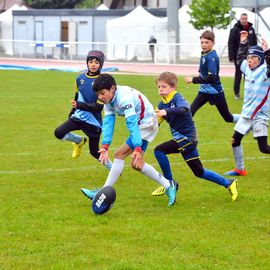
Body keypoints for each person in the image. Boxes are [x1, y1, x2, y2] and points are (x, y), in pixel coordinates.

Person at [80, 74, 178, 206]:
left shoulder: (123, 98)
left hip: (147, 123)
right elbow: (108, 122)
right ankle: (168, 185)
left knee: (119, 155)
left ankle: (101, 192)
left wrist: (137, 147)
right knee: (137, 165)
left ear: (113, 88)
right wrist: (105, 146)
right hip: (140, 124)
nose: (100, 97)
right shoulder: (108, 101)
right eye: (98, 94)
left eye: (102, 93)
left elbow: (131, 122)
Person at [151, 72, 238, 201]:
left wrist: (166, 111)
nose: (160, 89)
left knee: (159, 150)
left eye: (163, 87)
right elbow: (156, 123)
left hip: (187, 138)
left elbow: (185, 109)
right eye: (159, 87)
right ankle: (229, 183)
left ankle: (169, 183)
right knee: (199, 171)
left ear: (173, 87)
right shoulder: (161, 104)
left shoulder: (177, 98)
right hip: (183, 140)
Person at [54, 50, 112, 170]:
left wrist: (79, 105)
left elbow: (98, 107)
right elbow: (77, 97)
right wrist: (72, 113)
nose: (93, 64)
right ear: (87, 63)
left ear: (101, 64)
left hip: (93, 122)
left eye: (96, 62)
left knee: (94, 152)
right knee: (59, 132)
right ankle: (79, 141)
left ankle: (112, 169)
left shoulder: (103, 81)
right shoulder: (79, 78)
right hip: (78, 116)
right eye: (90, 61)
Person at [224, 31, 270, 176]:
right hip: (246, 115)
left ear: (260, 59)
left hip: (260, 116)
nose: (249, 60)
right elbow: (239, 59)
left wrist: (267, 50)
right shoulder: (247, 70)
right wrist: (243, 42)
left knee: (263, 148)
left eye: (253, 58)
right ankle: (240, 169)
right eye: (249, 58)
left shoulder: (265, 72)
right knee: (234, 141)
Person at [184, 30, 239, 123]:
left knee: (228, 118)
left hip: (215, 92)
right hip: (204, 91)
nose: (204, 45)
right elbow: (203, 70)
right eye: (202, 42)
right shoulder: (204, 53)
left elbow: (211, 78)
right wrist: (199, 73)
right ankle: (185, 135)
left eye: (207, 42)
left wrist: (193, 80)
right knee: (190, 112)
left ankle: (249, 121)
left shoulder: (212, 57)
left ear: (213, 43)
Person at [228, 13, 257, 100]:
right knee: (238, 75)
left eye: (246, 18)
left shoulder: (251, 29)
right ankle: (236, 94)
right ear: (240, 19)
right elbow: (231, 43)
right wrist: (231, 56)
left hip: (250, 57)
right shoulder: (235, 29)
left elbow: (254, 42)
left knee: (249, 76)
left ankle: (248, 93)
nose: (244, 20)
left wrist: (255, 54)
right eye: (243, 18)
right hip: (239, 57)